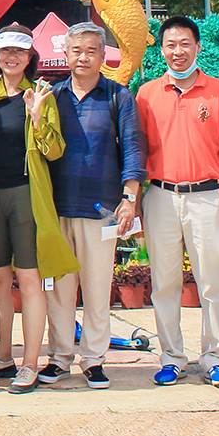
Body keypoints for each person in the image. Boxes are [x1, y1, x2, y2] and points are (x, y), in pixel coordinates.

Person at [135, 15, 219, 388]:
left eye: (185, 44)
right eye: (171, 44)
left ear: (198, 47)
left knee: (211, 280)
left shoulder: (218, 91)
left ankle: (215, 356)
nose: (178, 51)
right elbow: (138, 148)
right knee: (164, 282)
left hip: (206, 197)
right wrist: (134, 200)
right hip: (161, 196)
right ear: (162, 49)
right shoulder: (148, 93)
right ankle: (172, 357)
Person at [0, 26, 77, 393]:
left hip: (26, 195)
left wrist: (36, 117)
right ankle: (2, 356)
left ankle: (30, 363)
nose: (11, 57)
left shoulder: (42, 94)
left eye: (19, 51)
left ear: (30, 56)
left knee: (30, 279)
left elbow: (55, 151)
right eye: (5, 51)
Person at [43, 22, 145, 392]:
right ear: (65, 54)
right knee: (58, 291)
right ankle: (59, 357)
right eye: (76, 51)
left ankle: (94, 360)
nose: (83, 58)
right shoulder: (52, 96)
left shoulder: (119, 96)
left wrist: (129, 199)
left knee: (98, 289)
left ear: (103, 55)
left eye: (91, 51)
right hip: (57, 208)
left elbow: (133, 148)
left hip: (102, 209)